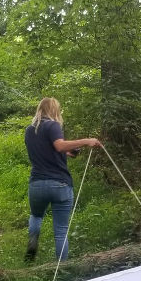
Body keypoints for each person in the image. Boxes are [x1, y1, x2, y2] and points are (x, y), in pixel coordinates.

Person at [24, 97, 102, 262]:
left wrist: (68, 152)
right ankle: (61, 269)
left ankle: (32, 243)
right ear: (54, 110)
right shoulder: (53, 125)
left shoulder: (30, 130)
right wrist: (87, 141)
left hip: (37, 184)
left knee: (36, 216)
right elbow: (59, 145)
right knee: (60, 231)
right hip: (60, 184)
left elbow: (47, 150)